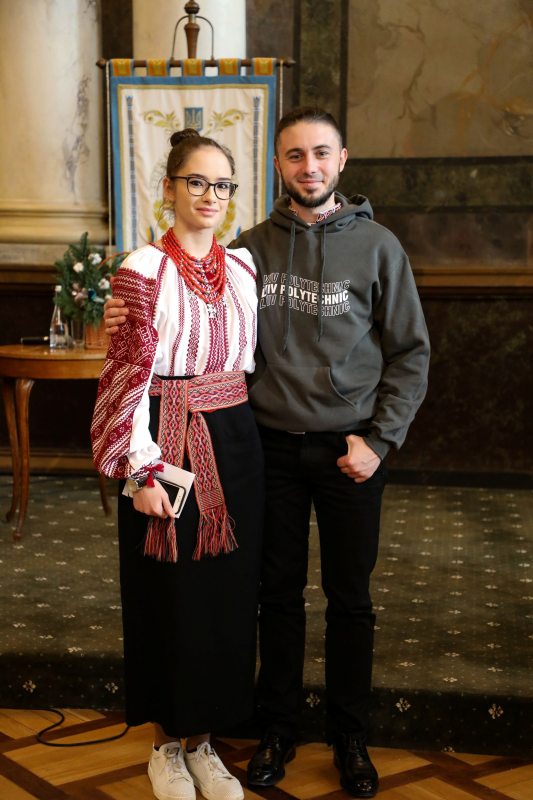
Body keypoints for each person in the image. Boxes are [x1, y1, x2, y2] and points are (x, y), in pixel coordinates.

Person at [103, 106, 430, 799]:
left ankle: (349, 736)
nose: (308, 166)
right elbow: (148, 345)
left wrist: (380, 440)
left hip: (345, 452)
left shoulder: (373, 247)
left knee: (348, 601)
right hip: (263, 446)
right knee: (267, 597)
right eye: (292, 156)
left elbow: (410, 352)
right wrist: (123, 314)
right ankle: (271, 730)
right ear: (276, 168)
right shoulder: (252, 249)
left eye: (321, 153)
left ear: (341, 160)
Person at [91, 129, 264, 800]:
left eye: (222, 185)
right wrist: (139, 470)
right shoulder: (141, 268)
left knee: (224, 593)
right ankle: (165, 745)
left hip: (235, 433)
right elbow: (126, 375)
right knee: (168, 594)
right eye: (196, 182)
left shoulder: (245, 266)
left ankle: (205, 744)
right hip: (164, 432)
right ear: (169, 187)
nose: (210, 196)